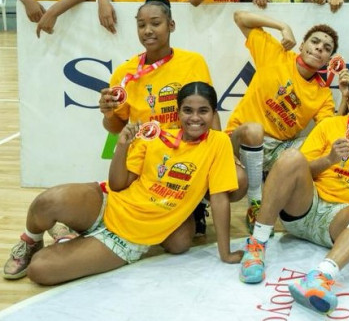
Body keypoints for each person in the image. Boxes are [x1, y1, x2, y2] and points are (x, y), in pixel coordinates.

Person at [3, 82, 241, 284]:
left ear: (214, 113)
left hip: (128, 238)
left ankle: (69, 237)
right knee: (47, 202)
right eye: (188, 110)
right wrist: (122, 146)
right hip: (112, 204)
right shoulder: (155, 136)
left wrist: (225, 252)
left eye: (204, 111)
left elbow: (219, 198)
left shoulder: (218, 143)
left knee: (39, 271)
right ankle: (31, 242)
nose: (195, 118)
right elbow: (117, 185)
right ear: (178, 112)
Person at [239, 74, 349, 315]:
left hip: (337, 222)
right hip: (305, 207)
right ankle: (256, 245)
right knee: (291, 157)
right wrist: (330, 159)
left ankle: (319, 279)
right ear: (347, 102)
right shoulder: (329, 126)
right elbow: (298, 171)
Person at [98, 0, 248, 232]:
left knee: (238, 181)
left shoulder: (193, 62)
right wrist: (108, 114)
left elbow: (211, 111)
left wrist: (219, 151)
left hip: (190, 151)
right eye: (141, 25)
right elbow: (116, 128)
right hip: (149, 157)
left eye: (155, 23)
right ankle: (180, 208)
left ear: (171, 25)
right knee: (178, 241)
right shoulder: (124, 74)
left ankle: (196, 202)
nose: (148, 30)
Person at [225, 10, 349, 231]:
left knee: (315, 148)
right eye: (315, 41)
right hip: (241, 141)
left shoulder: (321, 94)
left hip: (278, 150)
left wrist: (345, 96)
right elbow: (239, 17)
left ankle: (305, 209)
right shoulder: (276, 54)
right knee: (254, 130)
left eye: (326, 48)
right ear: (302, 45)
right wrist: (283, 26)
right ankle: (256, 200)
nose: (320, 47)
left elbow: (330, 132)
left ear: (328, 61)